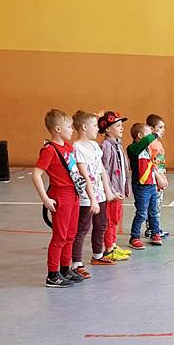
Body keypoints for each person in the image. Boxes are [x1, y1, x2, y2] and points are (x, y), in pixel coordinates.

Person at [32, 109, 97, 288]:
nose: (72, 130)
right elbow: (36, 174)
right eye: (69, 127)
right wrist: (45, 199)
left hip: (74, 194)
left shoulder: (68, 147)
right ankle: (53, 274)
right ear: (58, 129)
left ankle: (65, 268)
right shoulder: (49, 150)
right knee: (59, 236)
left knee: (70, 234)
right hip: (61, 196)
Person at [71, 110, 115, 278]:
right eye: (95, 126)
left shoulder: (95, 146)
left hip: (99, 193)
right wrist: (92, 199)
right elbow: (84, 174)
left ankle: (97, 255)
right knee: (82, 228)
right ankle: (76, 263)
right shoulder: (77, 147)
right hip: (86, 196)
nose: (98, 129)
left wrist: (107, 190)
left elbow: (101, 169)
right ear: (84, 127)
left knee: (101, 223)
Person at [99, 111, 131, 262]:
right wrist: (110, 191)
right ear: (107, 129)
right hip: (111, 193)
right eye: (118, 126)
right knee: (110, 220)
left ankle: (113, 244)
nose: (122, 128)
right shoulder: (106, 146)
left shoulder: (118, 145)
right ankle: (108, 249)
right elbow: (104, 171)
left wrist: (125, 188)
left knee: (116, 219)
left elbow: (123, 169)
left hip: (118, 191)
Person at [126, 123, 163, 248]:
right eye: (148, 134)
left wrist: (158, 178)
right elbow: (147, 140)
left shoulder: (147, 149)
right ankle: (134, 237)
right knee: (142, 213)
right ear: (140, 135)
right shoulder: (133, 149)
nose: (151, 137)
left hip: (151, 184)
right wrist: (156, 134)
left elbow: (151, 165)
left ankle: (155, 233)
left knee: (153, 211)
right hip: (141, 186)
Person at [144, 114, 170, 239]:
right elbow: (151, 164)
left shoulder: (158, 143)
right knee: (153, 206)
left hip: (160, 178)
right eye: (160, 127)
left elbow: (160, 163)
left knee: (157, 205)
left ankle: (155, 227)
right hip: (154, 180)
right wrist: (159, 178)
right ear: (151, 129)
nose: (163, 130)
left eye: (163, 127)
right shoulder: (150, 145)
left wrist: (164, 177)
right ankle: (152, 229)